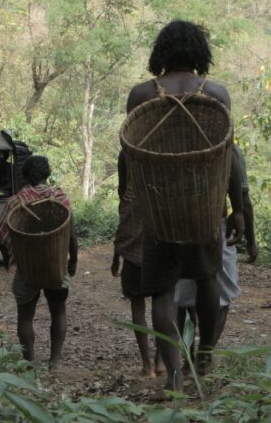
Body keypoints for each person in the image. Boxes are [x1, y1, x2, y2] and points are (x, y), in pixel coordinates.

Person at [124, 20, 245, 395]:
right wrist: (237, 207)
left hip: (159, 208)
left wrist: (126, 200)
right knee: (207, 277)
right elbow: (229, 157)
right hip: (202, 206)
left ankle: (174, 373)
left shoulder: (142, 95)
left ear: (160, 53)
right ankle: (205, 355)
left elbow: (128, 154)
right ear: (198, 53)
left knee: (162, 291)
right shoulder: (217, 94)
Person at [174, 144, 258, 363]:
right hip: (211, 223)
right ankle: (205, 353)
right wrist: (250, 239)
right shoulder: (230, 150)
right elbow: (243, 196)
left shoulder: (173, 143)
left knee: (183, 297)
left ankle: (191, 357)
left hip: (177, 225)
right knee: (217, 291)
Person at [0, 155, 78, 371]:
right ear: (47, 173)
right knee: (58, 312)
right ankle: (55, 362)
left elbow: (2, 235)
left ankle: (29, 363)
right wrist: (73, 261)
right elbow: (71, 235)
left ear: (24, 175)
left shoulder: (15, 203)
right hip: (55, 268)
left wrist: (7, 260)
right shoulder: (60, 198)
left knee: (25, 317)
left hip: (27, 270)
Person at [111, 152, 164, 378]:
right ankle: (160, 360)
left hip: (134, 250)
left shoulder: (129, 197)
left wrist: (117, 255)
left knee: (137, 305)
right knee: (164, 304)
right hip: (162, 247)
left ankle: (146, 364)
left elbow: (124, 224)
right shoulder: (163, 196)